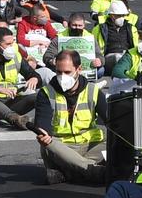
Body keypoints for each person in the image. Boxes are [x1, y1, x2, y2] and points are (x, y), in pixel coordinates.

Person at [31, 49, 105, 184]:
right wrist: (43, 133)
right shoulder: (46, 93)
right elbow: (43, 122)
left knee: (115, 144)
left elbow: (110, 120)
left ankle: (68, 174)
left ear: (79, 69)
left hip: (91, 146)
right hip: (63, 148)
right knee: (49, 146)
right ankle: (91, 171)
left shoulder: (93, 90)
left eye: (67, 72)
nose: (62, 76)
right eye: (59, 72)